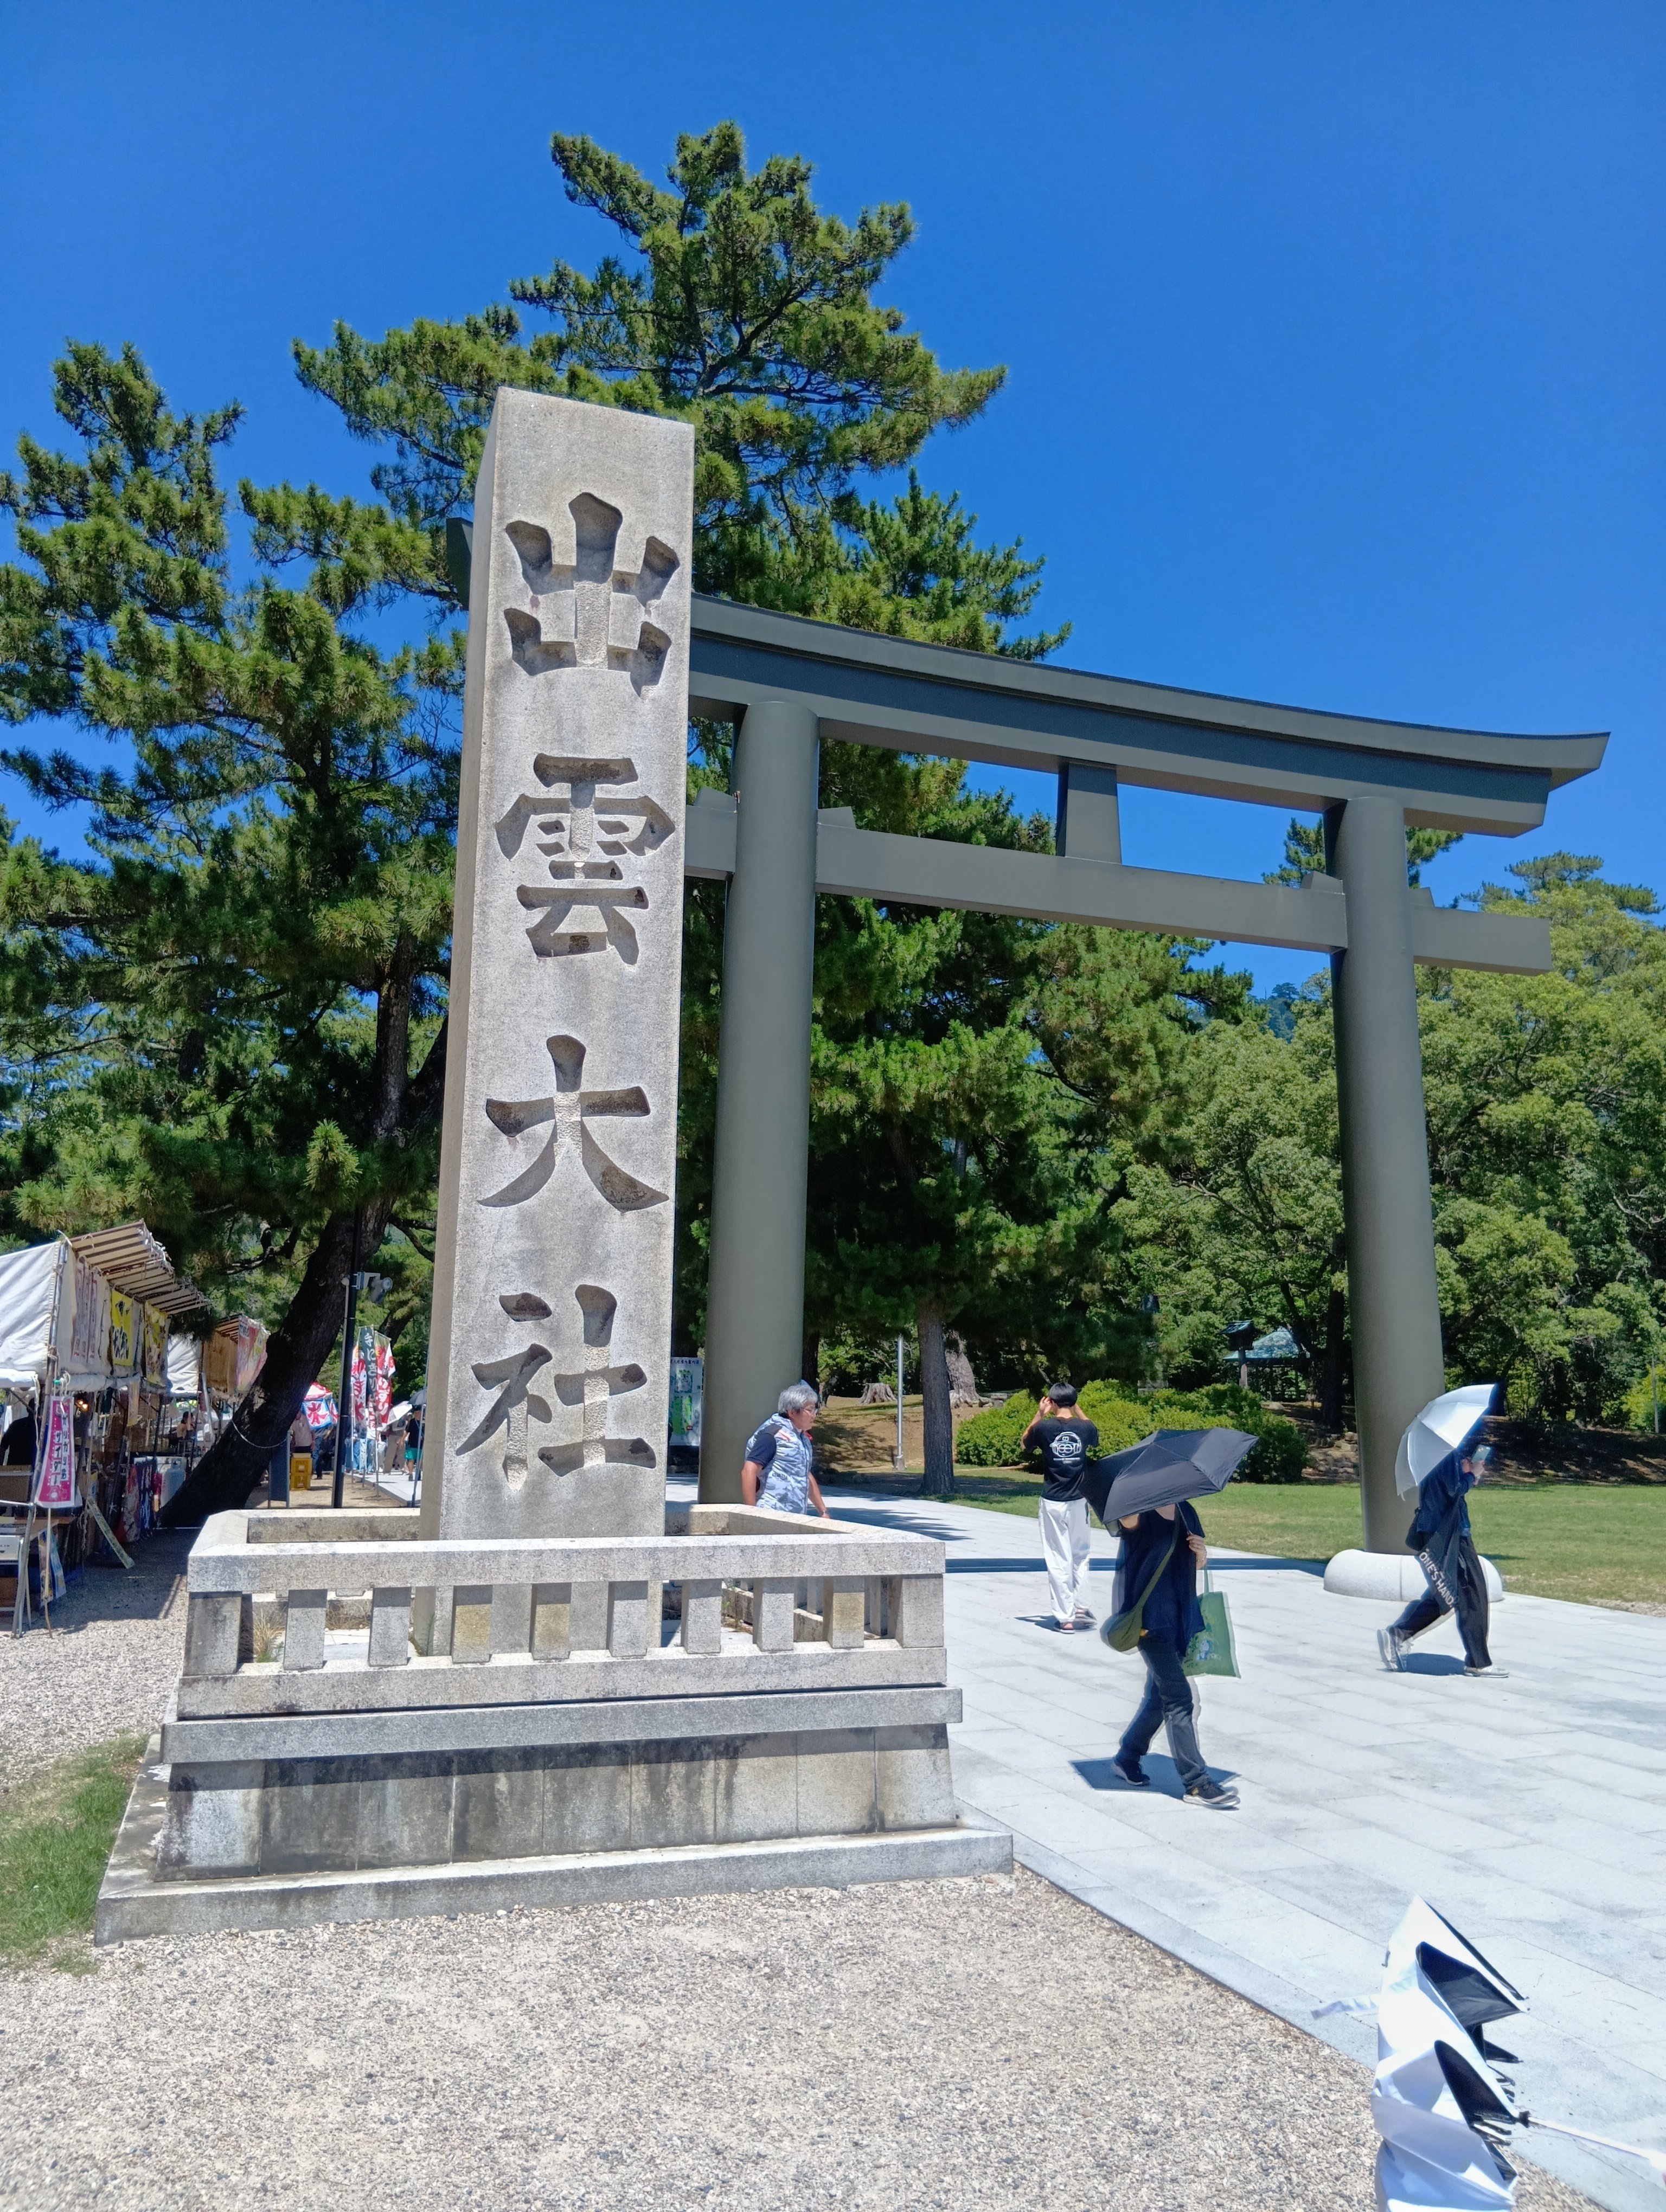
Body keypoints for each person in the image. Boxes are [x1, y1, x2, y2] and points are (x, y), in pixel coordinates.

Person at [1107, 1499, 1238, 1810]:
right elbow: (1126, 1526)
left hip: (1182, 1619)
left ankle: (1127, 1757)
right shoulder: (1135, 1513)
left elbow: (1196, 1565)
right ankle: (1197, 1783)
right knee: (1180, 1698)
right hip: (1149, 1624)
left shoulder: (1186, 1511)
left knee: (1159, 1696)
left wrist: (1200, 1554)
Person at [1377, 1445, 1503, 1678]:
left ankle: (1400, 1634)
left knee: (1447, 1591)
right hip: (1449, 1535)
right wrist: (1471, 1473)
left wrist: (1465, 1473)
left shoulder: (1433, 1454)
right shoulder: (1446, 1454)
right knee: (1471, 1595)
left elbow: (1448, 1490)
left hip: (1440, 1532)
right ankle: (1478, 1662)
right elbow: (1454, 1490)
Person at [1023, 1382, 1100, 1631]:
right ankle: (1082, 1606)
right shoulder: (1085, 1428)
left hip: (1053, 1500)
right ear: (1074, 1402)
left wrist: (1039, 1414)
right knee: (1081, 1553)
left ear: (1053, 1403)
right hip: (1079, 1500)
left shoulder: (1044, 1428)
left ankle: (1066, 1617)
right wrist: (1077, 1409)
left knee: (1058, 1557)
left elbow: (1025, 1442)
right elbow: (1094, 1433)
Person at [741, 1382, 831, 1519]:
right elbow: (749, 1471)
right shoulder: (772, 1435)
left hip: (794, 1516)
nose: (814, 1415)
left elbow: (804, 1474)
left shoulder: (801, 1438)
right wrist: (751, 1514)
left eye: (815, 1410)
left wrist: (823, 1511)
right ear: (792, 1412)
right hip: (770, 1513)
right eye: (810, 1410)